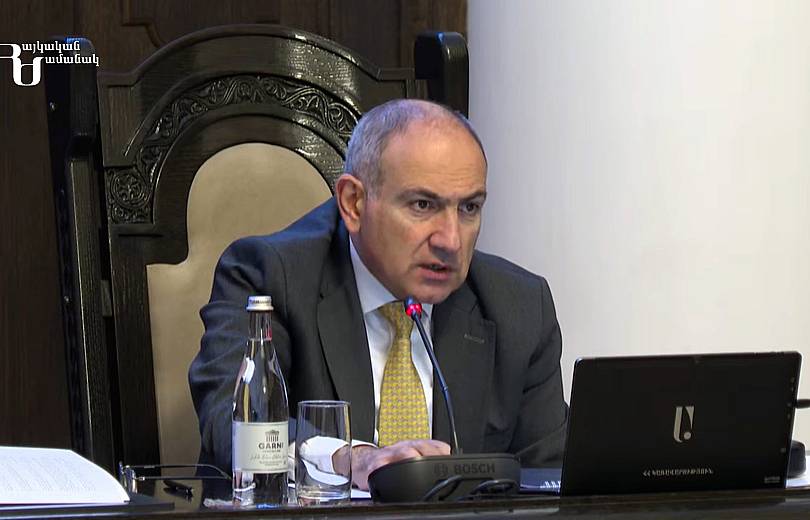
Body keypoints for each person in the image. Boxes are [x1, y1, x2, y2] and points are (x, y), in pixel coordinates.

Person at [189, 99, 568, 490]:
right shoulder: (267, 277)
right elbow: (233, 425)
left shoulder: (519, 306)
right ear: (354, 203)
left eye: (469, 208)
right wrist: (349, 459)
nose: (451, 241)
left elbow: (549, 480)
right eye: (423, 205)